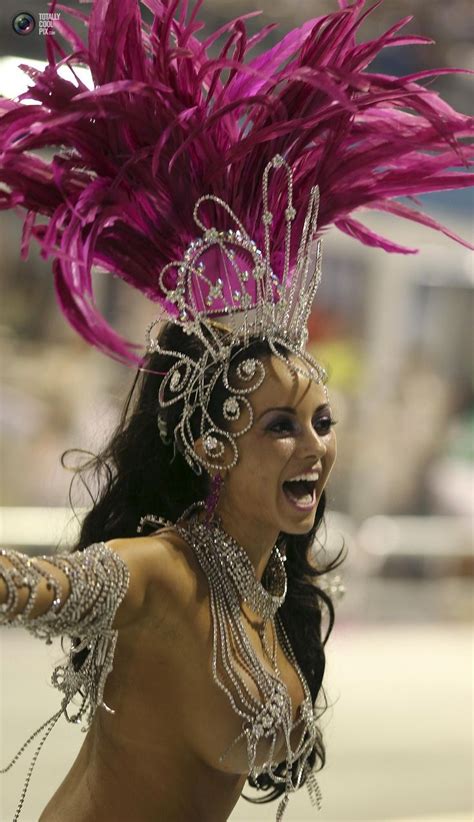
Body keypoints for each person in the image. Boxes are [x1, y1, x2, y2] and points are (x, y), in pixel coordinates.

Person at [0, 1, 472, 820]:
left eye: (321, 422)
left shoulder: (269, 588)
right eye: (281, 427)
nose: (314, 450)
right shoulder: (158, 569)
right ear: (212, 447)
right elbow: (27, 584)